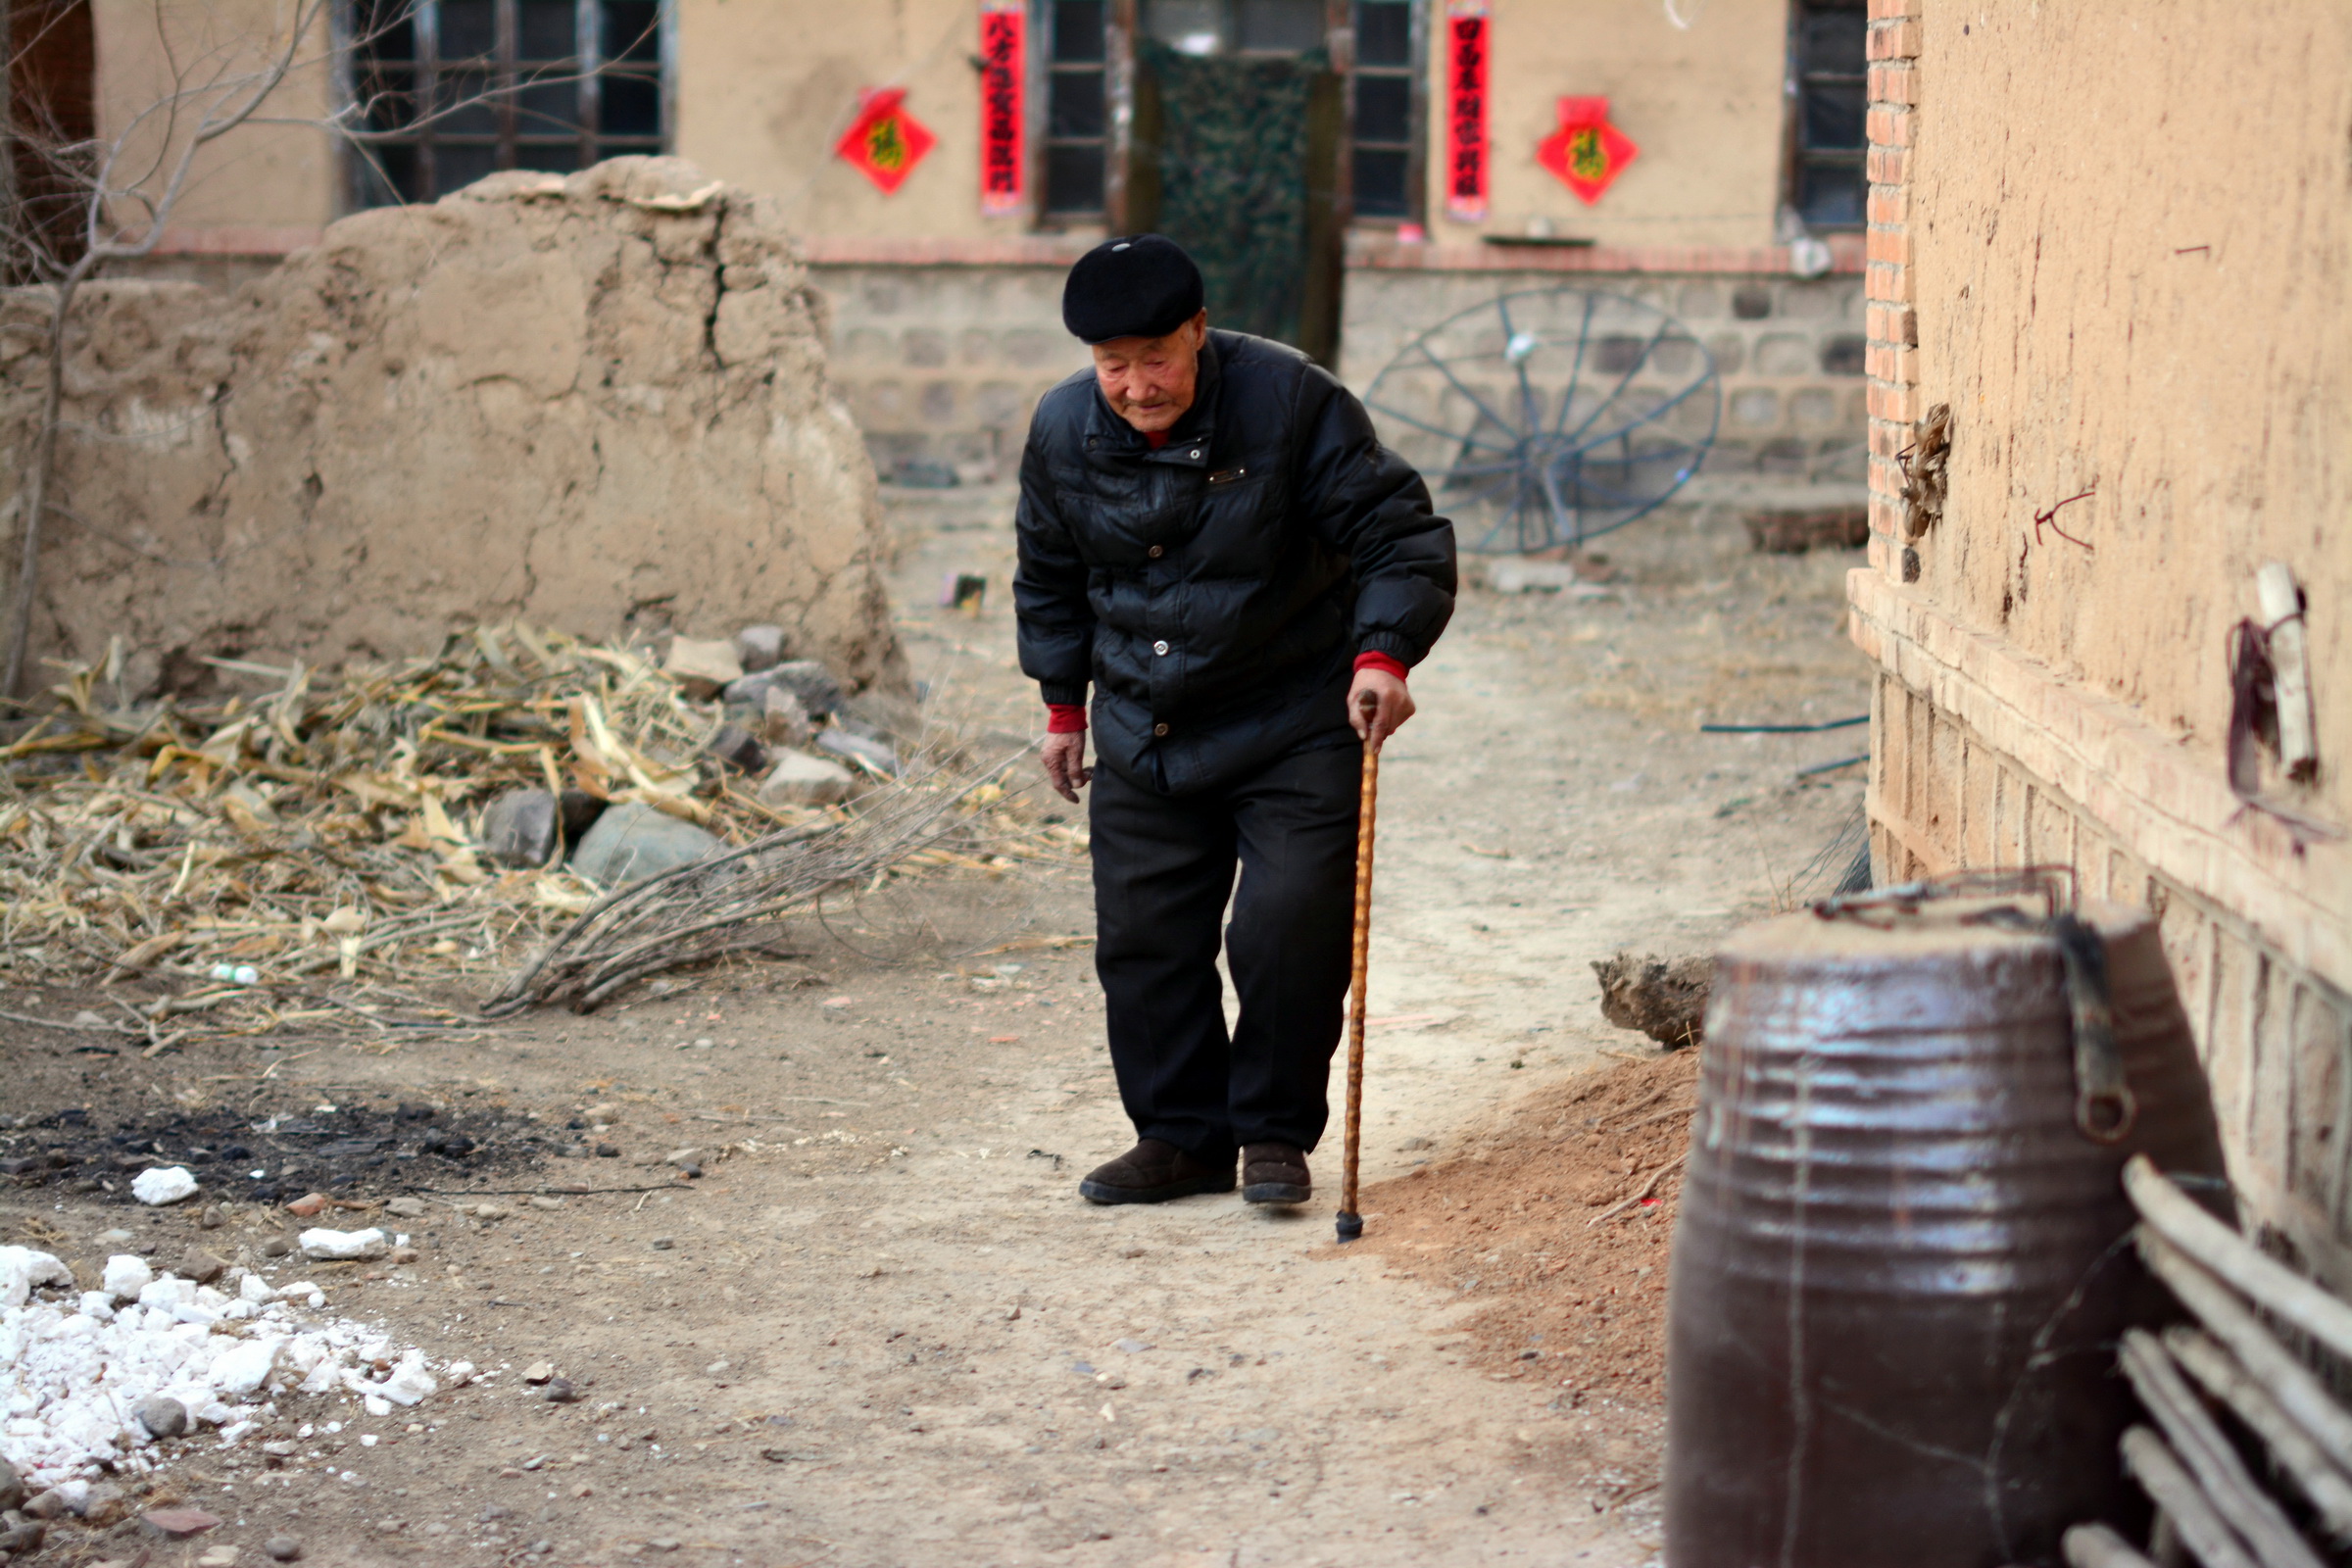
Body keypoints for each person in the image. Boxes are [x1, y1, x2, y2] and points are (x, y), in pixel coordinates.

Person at [1013, 234, 1455, 1209]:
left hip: (1291, 714)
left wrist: (1384, 655)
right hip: (1143, 720)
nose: (1135, 386)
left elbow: (1398, 536)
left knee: (1287, 924)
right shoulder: (1060, 429)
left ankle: (1268, 1132)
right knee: (1144, 939)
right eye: (1112, 364)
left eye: (1156, 357)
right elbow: (1047, 576)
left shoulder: (1291, 403)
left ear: (1201, 333)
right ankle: (1180, 1136)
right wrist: (1061, 704)